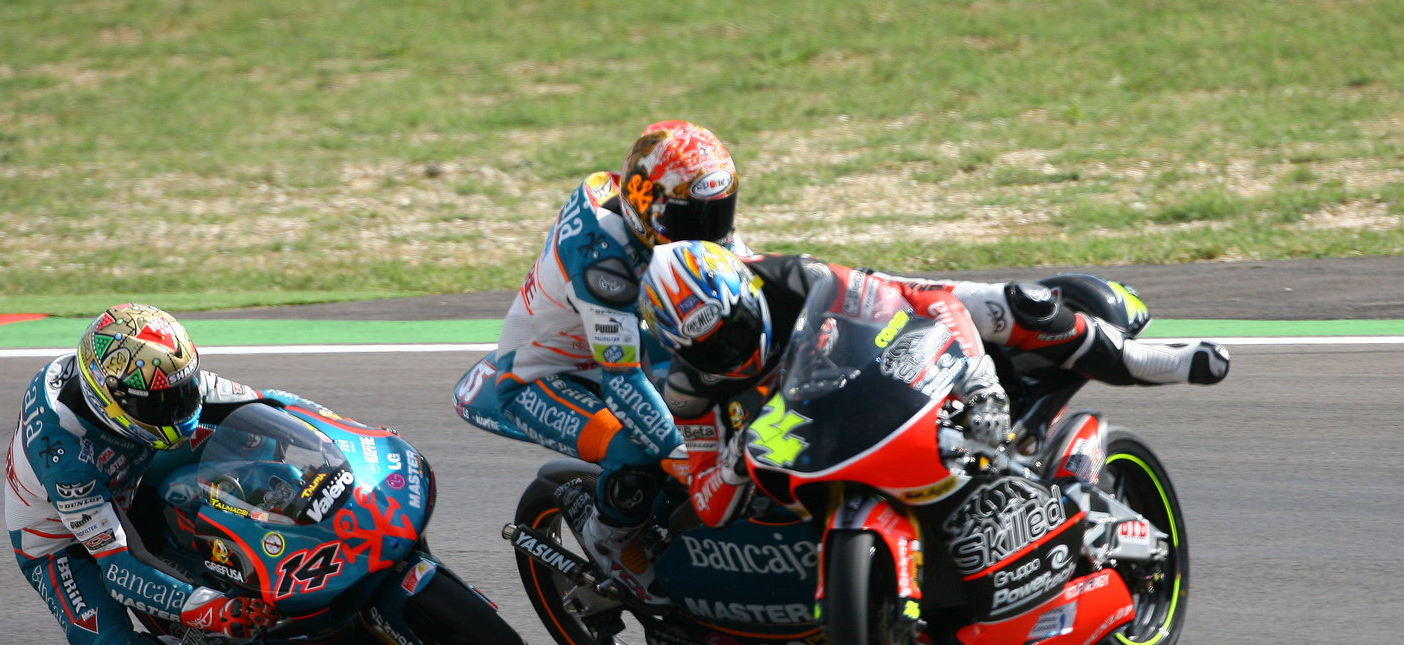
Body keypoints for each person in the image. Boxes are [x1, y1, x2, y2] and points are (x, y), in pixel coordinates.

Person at [639, 241, 1232, 529]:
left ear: (747, 295)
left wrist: (980, 387)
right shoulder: (687, 390)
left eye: (735, 329)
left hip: (879, 352)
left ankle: (1149, 359)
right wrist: (732, 466)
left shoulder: (792, 278)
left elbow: (904, 307)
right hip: (804, 452)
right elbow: (707, 503)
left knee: (1013, 306)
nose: (730, 351)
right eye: (708, 347)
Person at [480, 120, 749, 603]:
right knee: (640, 448)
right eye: (695, 219)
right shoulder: (602, 254)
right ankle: (611, 542)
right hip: (544, 376)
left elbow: (750, 280)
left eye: (718, 213)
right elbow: (622, 380)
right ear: (648, 208)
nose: (709, 233)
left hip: (624, 340)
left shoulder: (676, 219)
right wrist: (682, 457)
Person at [5, 303, 288, 645]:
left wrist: (354, 433)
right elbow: (119, 569)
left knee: (254, 435)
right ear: (109, 401)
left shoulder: (138, 374)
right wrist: (214, 611)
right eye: (161, 403)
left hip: (131, 467)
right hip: (64, 541)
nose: (179, 407)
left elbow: (265, 404)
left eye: (183, 389)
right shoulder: (65, 461)